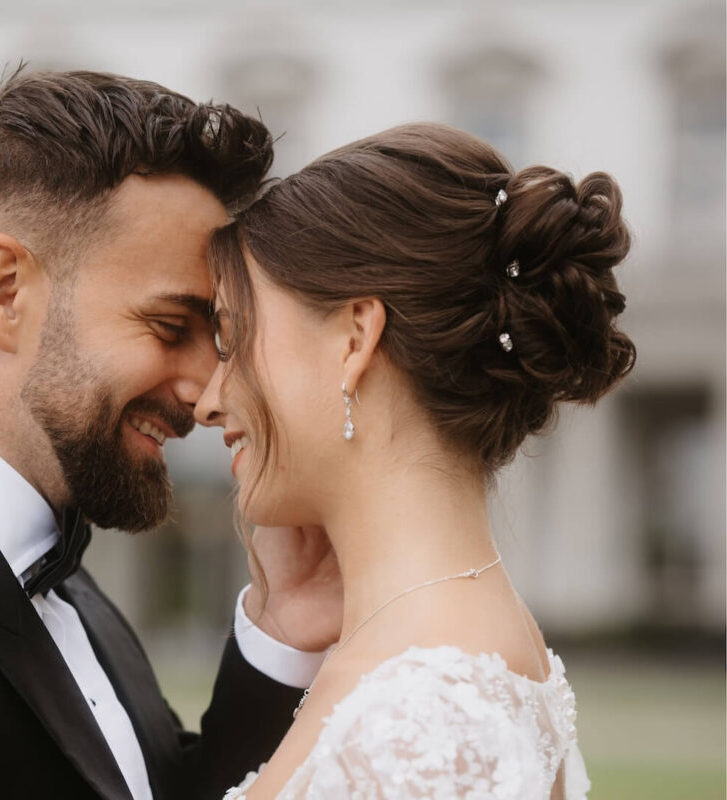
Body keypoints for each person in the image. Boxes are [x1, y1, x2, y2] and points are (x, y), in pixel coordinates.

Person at [0, 70, 341, 800]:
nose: (208, 392)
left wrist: (284, 630)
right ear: (5, 292)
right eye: (169, 326)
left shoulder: (68, 582)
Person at [194, 123, 636, 798]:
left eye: (230, 335)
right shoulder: (439, 660)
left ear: (354, 338)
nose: (207, 400)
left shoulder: (422, 724)